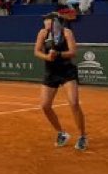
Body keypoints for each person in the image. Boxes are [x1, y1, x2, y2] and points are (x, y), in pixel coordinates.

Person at [33, 12, 87, 151]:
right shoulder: (42, 33)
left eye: (47, 20)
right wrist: (47, 57)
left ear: (55, 22)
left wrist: (59, 54)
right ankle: (61, 133)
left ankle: (82, 136)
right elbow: (37, 51)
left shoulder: (67, 33)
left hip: (67, 72)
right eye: (44, 20)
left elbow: (73, 52)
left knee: (74, 103)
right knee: (45, 106)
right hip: (51, 73)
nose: (45, 22)